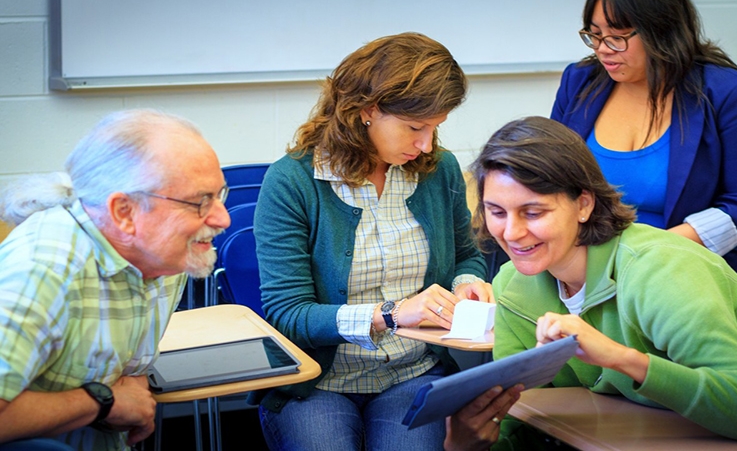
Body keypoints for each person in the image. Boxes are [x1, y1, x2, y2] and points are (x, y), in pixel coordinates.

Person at [444, 116, 737, 450]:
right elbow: (520, 424)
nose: (512, 233)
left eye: (533, 213)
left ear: (584, 205)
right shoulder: (513, 286)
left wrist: (621, 358)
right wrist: (466, 446)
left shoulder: (661, 271)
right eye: (497, 212)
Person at [254, 32, 492, 451]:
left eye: (435, 128)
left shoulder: (439, 171)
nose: (426, 145)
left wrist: (465, 284)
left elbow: (467, 257)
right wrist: (391, 315)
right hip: (316, 380)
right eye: (415, 127)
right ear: (366, 110)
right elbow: (287, 315)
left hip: (412, 370)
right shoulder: (291, 181)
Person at [0, 110, 231, 450]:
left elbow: (129, 370)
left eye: (219, 195)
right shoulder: (42, 272)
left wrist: (132, 391)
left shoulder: (166, 256)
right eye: (199, 202)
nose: (222, 218)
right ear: (124, 212)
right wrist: (102, 401)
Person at [550, 0, 737, 284]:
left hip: (684, 274)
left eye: (617, 37)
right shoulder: (580, 82)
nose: (603, 50)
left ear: (661, 30)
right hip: (585, 274)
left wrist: (648, 254)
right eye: (594, 35)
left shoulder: (727, 94)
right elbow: (549, 176)